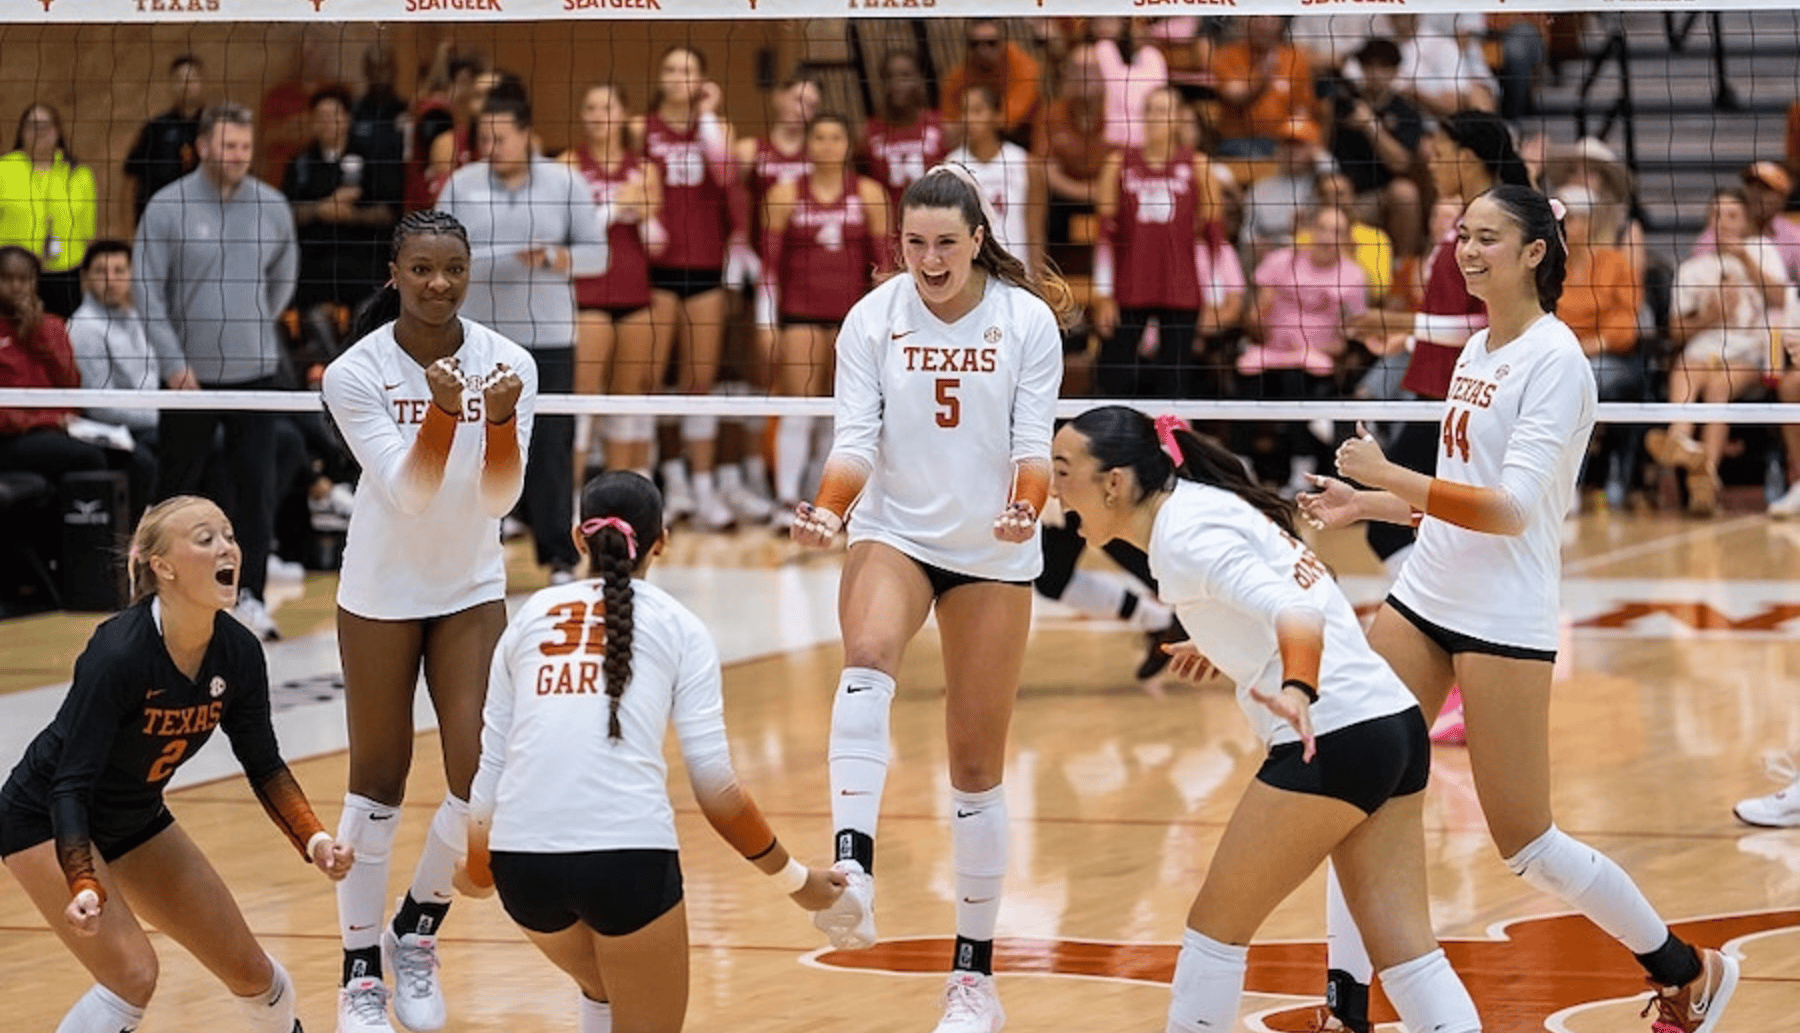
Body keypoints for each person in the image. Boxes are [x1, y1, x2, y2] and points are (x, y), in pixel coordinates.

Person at [1299, 185, 1739, 1033]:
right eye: (1462, 234)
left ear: (1534, 252)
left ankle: (1686, 969)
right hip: (1424, 597)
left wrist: (1388, 474)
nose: (1466, 250)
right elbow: (1457, 497)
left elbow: (1507, 509)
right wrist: (1370, 507)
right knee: (1352, 791)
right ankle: (1343, 1010)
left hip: (1502, 616)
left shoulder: (1556, 360)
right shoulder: (1476, 350)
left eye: (1486, 237)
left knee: (1526, 843)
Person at [1049, 407, 1483, 1033]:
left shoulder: (1185, 536)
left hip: (1331, 733)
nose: (1053, 489)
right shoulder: (1197, 506)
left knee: (1213, 935)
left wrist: (1299, 685)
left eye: (1064, 472)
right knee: (1408, 954)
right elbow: (1305, 583)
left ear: (1114, 483)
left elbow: (1295, 613)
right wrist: (1223, 640)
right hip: (1389, 722)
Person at [793, 163, 1066, 1033]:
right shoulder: (873, 317)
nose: (931, 258)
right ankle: (853, 867)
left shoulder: (1026, 321)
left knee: (977, 768)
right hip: (897, 531)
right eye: (915, 243)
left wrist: (1029, 503)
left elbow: (1033, 445)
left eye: (947, 243)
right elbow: (854, 440)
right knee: (866, 657)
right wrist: (830, 511)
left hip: (992, 546)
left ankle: (972, 977)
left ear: (979, 240)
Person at [463, 471, 845, 1033]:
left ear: (577, 539)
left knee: (604, 990)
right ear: (661, 540)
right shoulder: (680, 628)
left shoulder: (527, 620)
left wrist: (477, 870)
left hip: (524, 871)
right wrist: (797, 882)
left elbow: (490, 769)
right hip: (627, 862)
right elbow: (717, 792)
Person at [0, 494, 354, 1033]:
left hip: (134, 818)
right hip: (44, 819)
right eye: (205, 538)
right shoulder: (119, 652)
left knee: (257, 975)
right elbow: (69, 786)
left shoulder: (238, 651)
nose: (227, 547)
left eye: (229, 535)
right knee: (133, 975)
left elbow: (264, 764)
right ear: (161, 566)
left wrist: (315, 839)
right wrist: (83, 882)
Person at [319, 209, 536, 1033]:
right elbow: (408, 492)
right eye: (421, 268)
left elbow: (499, 497)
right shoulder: (354, 373)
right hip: (380, 588)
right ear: (395, 272)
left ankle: (414, 929)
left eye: (452, 268)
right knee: (376, 779)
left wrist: (502, 418)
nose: (438, 283)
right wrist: (446, 414)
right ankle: (357, 975)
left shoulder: (506, 363)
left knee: (480, 777)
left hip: (470, 583)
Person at [135, 102, 299, 642]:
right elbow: (147, 293)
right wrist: (173, 364)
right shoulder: (166, 206)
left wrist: (253, 328)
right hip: (189, 378)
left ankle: (248, 595)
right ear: (202, 146)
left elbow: (282, 281)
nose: (238, 156)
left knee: (255, 486)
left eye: (245, 148)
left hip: (255, 372)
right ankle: (151, 598)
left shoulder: (272, 205)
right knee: (174, 488)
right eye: (228, 146)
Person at [437, 91, 606, 584]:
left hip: (549, 336)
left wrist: (554, 258)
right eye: (483, 136)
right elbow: (432, 242)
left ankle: (559, 556)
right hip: (476, 339)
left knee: (552, 444)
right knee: (473, 442)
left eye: (500, 136)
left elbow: (599, 256)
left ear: (527, 133)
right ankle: (471, 551)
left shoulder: (565, 182)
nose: (491, 145)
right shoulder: (460, 184)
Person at [759, 114, 890, 526]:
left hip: (853, 321)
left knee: (846, 414)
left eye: (836, 137)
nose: (827, 145)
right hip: (800, 317)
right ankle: (785, 499)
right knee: (798, 409)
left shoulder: (869, 193)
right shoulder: (783, 194)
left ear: (847, 145)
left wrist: (885, 326)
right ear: (808, 144)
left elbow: (884, 267)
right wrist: (766, 323)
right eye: (819, 137)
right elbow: (768, 269)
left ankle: (828, 498)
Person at [633, 45, 742, 530]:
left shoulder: (718, 130)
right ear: (660, 75)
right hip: (656, 270)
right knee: (651, 382)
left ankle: (703, 489)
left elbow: (724, 174)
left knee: (701, 381)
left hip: (705, 267)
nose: (680, 76)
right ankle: (666, 483)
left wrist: (709, 116)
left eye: (690, 70)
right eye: (672, 68)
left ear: (702, 80)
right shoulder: (640, 128)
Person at [1648, 188, 1791, 517]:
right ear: (1708, 222)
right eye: (1717, 215)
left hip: (1751, 352)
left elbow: (1780, 298)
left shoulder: (1762, 251)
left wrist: (1742, 258)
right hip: (1703, 350)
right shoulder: (1695, 268)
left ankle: (1703, 468)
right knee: (1685, 367)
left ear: (1746, 221)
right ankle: (1682, 441)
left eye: (1732, 215)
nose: (1724, 222)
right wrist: (1710, 316)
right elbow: (1674, 331)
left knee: (1719, 384)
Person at [1091, 87, 1219, 397]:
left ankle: (1170, 443)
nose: (1157, 118)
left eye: (1165, 111)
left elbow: (1215, 239)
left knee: (1174, 387)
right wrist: (1103, 296)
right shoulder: (1118, 164)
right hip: (1129, 288)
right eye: (1151, 110)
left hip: (1181, 288)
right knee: (1112, 380)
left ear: (1178, 119)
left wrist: (1215, 299)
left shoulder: (1198, 166)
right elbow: (1105, 237)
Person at [566, 82, 662, 485]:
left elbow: (658, 244)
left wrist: (643, 215)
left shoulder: (645, 170)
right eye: (589, 107)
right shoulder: (567, 165)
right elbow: (566, 234)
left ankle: (621, 498)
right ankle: (569, 501)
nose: (597, 115)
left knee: (628, 401)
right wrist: (614, 208)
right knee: (583, 402)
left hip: (634, 292)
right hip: (587, 294)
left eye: (606, 106)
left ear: (623, 115)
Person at [1244, 204, 1367, 494]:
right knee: (1244, 372)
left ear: (1347, 238)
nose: (1327, 237)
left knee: (1296, 379)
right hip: (1270, 352)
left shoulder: (1352, 276)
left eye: (1336, 231)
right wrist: (1260, 317)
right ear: (1311, 232)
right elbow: (1252, 324)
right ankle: (1242, 464)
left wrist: (1333, 345)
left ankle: (1302, 470)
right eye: (1323, 228)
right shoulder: (1280, 262)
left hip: (1316, 359)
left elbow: (1355, 335)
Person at [283, 86, 399, 371]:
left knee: (370, 313)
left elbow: (389, 213)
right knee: (314, 318)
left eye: (334, 115)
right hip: (315, 267)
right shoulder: (300, 164)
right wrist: (320, 209)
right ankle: (330, 368)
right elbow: (284, 212)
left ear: (347, 119)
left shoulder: (370, 159)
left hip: (361, 264)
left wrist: (351, 216)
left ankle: (357, 369)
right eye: (320, 116)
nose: (327, 122)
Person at [66, 240, 159, 517]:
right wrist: (164, 416)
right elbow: (100, 406)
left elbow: (152, 378)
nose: (112, 280)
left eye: (120, 271)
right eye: (101, 271)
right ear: (85, 278)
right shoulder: (83, 327)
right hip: (109, 427)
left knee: (210, 440)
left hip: (147, 419)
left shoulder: (136, 318)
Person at [0, 103, 96, 318]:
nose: (39, 131)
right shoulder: (3, 170)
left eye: (46, 125)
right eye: (32, 125)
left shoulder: (80, 175)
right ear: (21, 132)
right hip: (13, 278)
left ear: (58, 131)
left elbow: (87, 232)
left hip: (65, 277)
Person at [945, 85, 1046, 279]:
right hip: (970, 276)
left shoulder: (1025, 164)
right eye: (964, 111)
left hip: (1016, 273)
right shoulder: (950, 167)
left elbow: (1036, 234)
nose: (968, 119)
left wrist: (1039, 279)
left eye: (977, 111)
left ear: (997, 116)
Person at [862, 50, 948, 222]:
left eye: (905, 75)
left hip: (937, 226)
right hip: (890, 230)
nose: (897, 83)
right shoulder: (866, 134)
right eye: (889, 76)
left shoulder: (943, 128)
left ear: (919, 80)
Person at [124, 54, 205, 221]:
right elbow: (130, 180)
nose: (186, 85)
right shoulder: (155, 128)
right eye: (180, 79)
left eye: (192, 78)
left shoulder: (217, 127)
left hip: (204, 221)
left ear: (202, 83)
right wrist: (128, 232)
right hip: (161, 221)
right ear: (171, 85)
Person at [940, 19, 1042, 148]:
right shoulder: (957, 77)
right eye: (975, 44)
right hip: (977, 141)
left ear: (1003, 42)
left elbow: (1010, 120)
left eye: (991, 43)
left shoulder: (1024, 65)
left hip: (1025, 135)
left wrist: (970, 123)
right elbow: (948, 125)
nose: (983, 49)